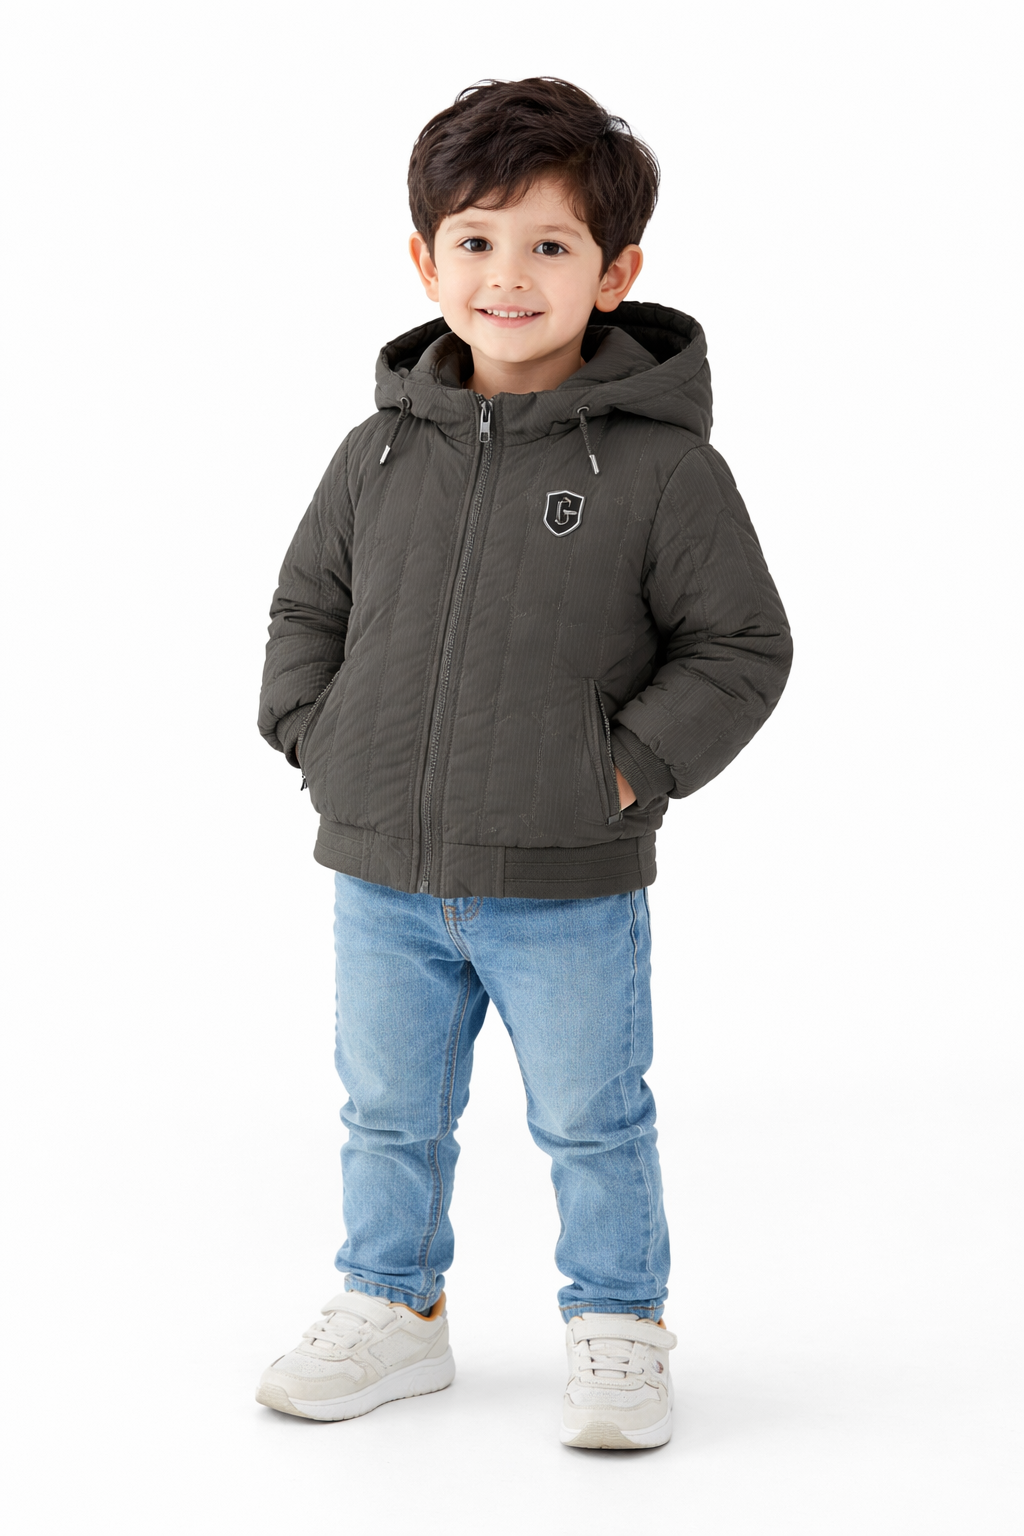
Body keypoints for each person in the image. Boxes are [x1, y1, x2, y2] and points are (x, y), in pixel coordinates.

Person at [255, 77, 792, 1450]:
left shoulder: (664, 471)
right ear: (425, 259)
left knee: (593, 1119)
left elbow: (740, 646)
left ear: (614, 274)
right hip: (381, 871)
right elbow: (308, 607)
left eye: (550, 244)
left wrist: (621, 774)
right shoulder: (378, 453)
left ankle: (619, 1324)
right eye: (477, 240)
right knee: (388, 1113)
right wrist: (319, 740)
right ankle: (392, 1307)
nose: (509, 275)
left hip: (566, 881)